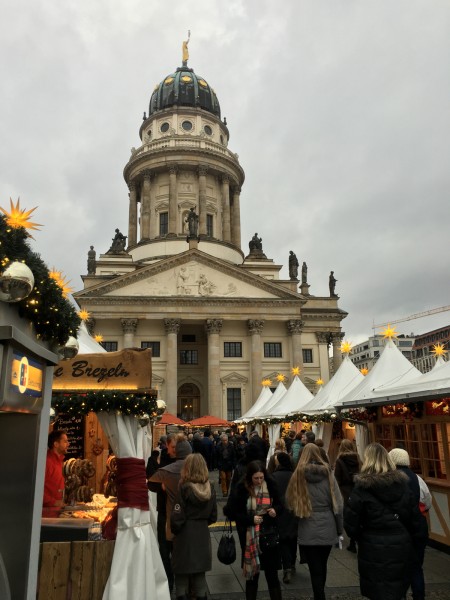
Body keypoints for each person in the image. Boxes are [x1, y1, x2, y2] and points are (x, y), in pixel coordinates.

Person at [344, 443, 424, 600]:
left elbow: (350, 524)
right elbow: (416, 522)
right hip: (400, 546)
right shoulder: (403, 486)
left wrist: (364, 535)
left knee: (378, 591)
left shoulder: (361, 489)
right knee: (397, 589)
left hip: (372, 547)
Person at [286, 444, 343, 600]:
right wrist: (339, 529)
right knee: (322, 564)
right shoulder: (329, 474)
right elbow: (338, 505)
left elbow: (290, 502)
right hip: (328, 524)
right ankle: (320, 593)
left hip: (307, 525)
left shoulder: (297, 475)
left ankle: (319, 594)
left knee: (314, 566)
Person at [226, 460, 283, 600]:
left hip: (269, 535)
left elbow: (281, 504)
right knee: (252, 577)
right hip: (250, 537)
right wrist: (250, 519)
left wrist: (275, 510)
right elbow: (233, 512)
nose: (259, 481)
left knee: (272, 576)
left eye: (261, 477)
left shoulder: (271, 485)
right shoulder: (242, 489)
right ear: (249, 477)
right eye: (256, 478)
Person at [148, 435, 192, 592]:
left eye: (176, 447)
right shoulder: (162, 459)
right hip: (165, 511)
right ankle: (169, 581)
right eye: (172, 447)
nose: (174, 450)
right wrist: (162, 487)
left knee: (179, 549)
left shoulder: (187, 465)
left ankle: (181, 582)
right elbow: (152, 482)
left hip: (181, 513)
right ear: (167, 446)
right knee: (164, 549)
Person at [171, 453, 217, 600]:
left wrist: (175, 530)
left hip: (185, 535)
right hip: (202, 534)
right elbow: (213, 516)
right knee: (200, 576)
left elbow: (177, 517)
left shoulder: (184, 488)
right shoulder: (211, 488)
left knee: (181, 576)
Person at [389, 447, 431, 600]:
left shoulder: (390, 479)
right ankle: (419, 595)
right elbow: (427, 501)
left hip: (399, 528)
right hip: (418, 527)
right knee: (416, 567)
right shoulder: (417, 478)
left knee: (398, 567)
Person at [271, 452, 298, 584]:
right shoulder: (295, 475)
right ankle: (292, 563)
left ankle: (287, 566)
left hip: (280, 510)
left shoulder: (274, 476)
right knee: (293, 537)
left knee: (283, 539)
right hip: (294, 509)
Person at [334, 439, 360, 552]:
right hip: (357, 489)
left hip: (344, 491)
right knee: (356, 514)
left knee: (345, 515)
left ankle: (346, 538)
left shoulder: (340, 460)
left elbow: (337, 478)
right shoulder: (358, 459)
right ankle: (354, 540)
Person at [43, 430, 69, 516]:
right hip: (46, 515)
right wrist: (54, 502)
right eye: (65, 441)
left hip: (58, 513)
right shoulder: (46, 462)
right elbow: (36, 490)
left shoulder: (60, 461)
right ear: (56, 444)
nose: (68, 444)